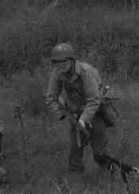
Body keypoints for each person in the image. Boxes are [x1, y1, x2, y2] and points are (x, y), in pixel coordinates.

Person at [46, 42, 118, 173]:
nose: (59, 65)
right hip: (74, 112)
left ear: (72, 60)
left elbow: (94, 100)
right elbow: (51, 97)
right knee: (75, 145)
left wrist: (84, 120)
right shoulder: (58, 73)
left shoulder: (86, 72)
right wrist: (63, 114)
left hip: (95, 111)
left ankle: (109, 169)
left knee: (99, 148)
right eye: (56, 62)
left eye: (63, 61)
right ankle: (75, 173)